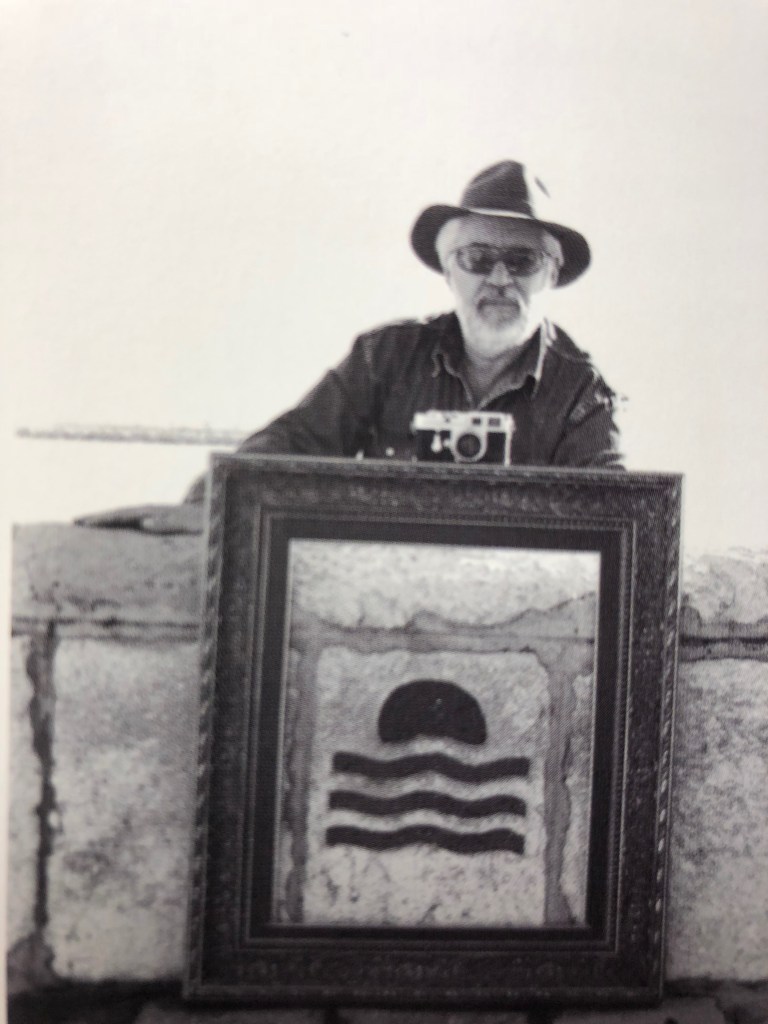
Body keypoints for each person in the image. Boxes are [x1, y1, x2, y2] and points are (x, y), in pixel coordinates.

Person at [78, 160, 623, 534]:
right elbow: (294, 441)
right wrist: (203, 507)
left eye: (522, 262)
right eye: (478, 259)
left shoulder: (581, 391)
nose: (499, 279)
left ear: (551, 274)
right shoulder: (386, 358)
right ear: (449, 271)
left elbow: (615, 515)